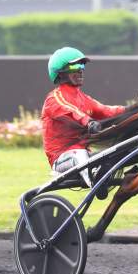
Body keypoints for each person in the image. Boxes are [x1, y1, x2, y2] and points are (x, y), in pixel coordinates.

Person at [41, 47, 126, 186]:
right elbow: (71, 111)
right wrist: (89, 122)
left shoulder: (83, 98)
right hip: (62, 159)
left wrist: (133, 110)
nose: (80, 69)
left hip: (84, 156)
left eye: (82, 65)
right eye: (75, 65)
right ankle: (95, 183)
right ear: (60, 73)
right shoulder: (54, 99)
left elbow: (107, 111)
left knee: (112, 152)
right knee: (79, 154)